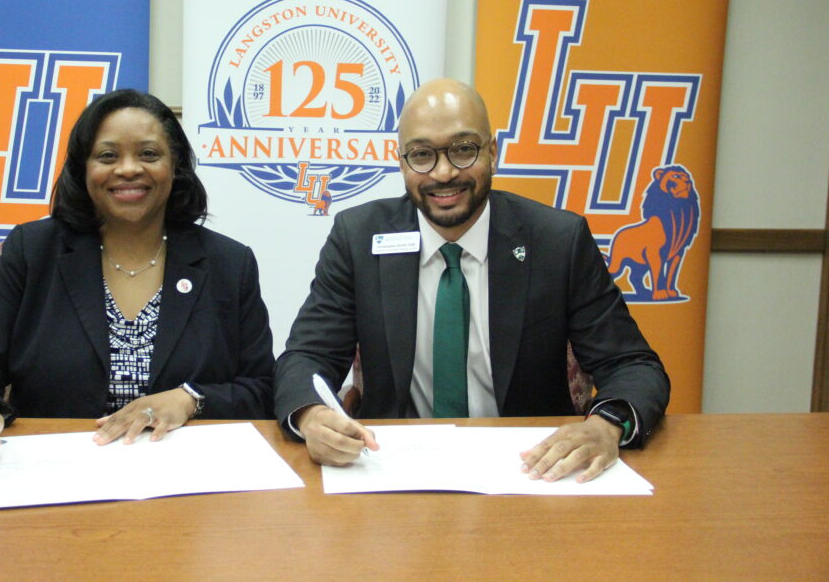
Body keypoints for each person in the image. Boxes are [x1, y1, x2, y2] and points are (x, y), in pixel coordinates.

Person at [274, 78, 669, 482]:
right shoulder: (358, 238)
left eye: (463, 150)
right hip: (392, 470)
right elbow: (304, 358)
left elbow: (633, 365)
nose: (443, 173)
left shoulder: (557, 242)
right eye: (422, 155)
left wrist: (607, 425)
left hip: (530, 470)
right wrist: (311, 415)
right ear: (403, 162)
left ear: (492, 153)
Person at [0, 89, 274, 466]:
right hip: (53, 471)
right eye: (107, 156)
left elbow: (261, 388)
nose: (127, 169)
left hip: (189, 475)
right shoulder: (35, 250)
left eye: (149, 154)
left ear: (175, 168)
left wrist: (190, 399)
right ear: (83, 169)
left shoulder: (228, 263)